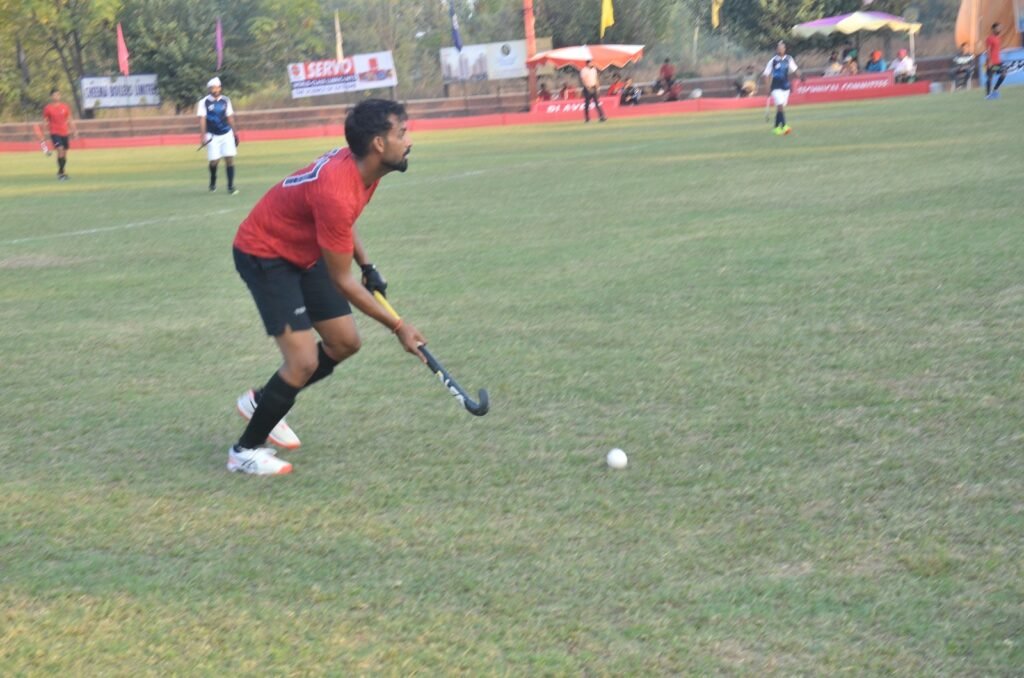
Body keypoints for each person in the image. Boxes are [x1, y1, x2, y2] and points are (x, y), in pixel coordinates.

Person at [228, 99, 426, 475]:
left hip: (304, 252)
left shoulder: (364, 170)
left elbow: (344, 223)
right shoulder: (338, 188)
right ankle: (244, 451)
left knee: (344, 343)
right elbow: (342, 280)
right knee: (302, 360)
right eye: (402, 133)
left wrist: (367, 264)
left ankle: (261, 401)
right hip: (265, 254)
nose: (410, 141)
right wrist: (398, 327)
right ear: (379, 144)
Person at [197, 76, 239, 194]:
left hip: (226, 133)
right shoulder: (204, 102)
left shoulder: (226, 100)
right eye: (212, 88)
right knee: (214, 161)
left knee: (229, 159)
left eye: (217, 87)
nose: (215, 90)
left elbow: (230, 117)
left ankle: (230, 186)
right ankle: (213, 180)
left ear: (220, 88)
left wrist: (235, 133)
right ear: (209, 89)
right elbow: (202, 119)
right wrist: (203, 135)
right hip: (212, 135)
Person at [762, 40, 800, 136]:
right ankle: (784, 126)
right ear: (776, 50)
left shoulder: (789, 59)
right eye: (778, 48)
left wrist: (801, 76)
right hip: (775, 87)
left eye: (782, 48)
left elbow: (795, 69)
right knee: (780, 106)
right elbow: (766, 75)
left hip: (786, 86)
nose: (780, 50)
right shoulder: (773, 61)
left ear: (785, 49)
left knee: (781, 108)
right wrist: (767, 88)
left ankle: (776, 128)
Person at [41, 88, 78, 181]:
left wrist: (74, 131)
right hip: (54, 133)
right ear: (51, 96)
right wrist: (44, 133)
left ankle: (61, 171)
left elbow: (69, 119)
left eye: (58, 95)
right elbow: (45, 121)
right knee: (60, 149)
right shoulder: (48, 108)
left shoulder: (65, 107)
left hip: (64, 133)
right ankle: (61, 174)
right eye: (54, 95)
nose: (56, 97)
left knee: (64, 154)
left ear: (60, 95)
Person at [984, 23, 1006, 99]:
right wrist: (989, 62)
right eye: (997, 28)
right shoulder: (990, 38)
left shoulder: (998, 38)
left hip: (998, 63)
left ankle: (995, 90)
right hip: (992, 63)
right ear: (993, 29)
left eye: (1000, 28)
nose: (999, 29)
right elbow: (988, 50)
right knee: (990, 78)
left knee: (1003, 73)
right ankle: (987, 95)